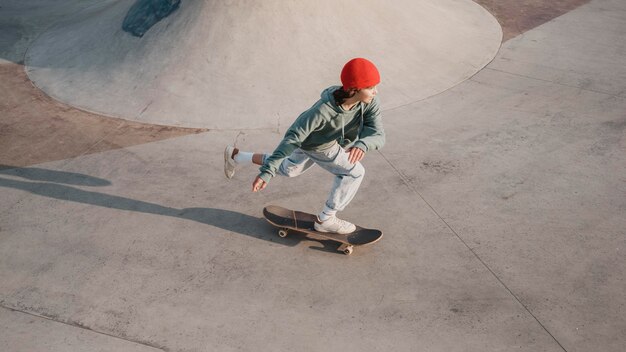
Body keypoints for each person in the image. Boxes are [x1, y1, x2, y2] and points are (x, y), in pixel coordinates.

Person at [224, 58, 385, 234]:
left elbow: (378, 133)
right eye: (370, 87)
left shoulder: (369, 103)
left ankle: (237, 156)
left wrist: (363, 144)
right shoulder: (322, 111)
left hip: (313, 143)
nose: (375, 92)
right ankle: (326, 219)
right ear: (354, 89)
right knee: (355, 172)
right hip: (320, 146)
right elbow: (292, 139)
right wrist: (267, 173)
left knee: (289, 169)